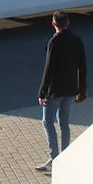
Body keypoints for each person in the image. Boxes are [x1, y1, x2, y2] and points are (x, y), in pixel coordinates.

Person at [35, 10, 87, 172]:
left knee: (47, 121)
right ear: (68, 23)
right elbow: (82, 66)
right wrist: (82, 90)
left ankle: (54, 159)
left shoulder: (54, 42)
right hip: (71, 89)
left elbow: (49, 69)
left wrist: (42, 92)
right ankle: (66, 156)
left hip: (55, 90)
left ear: (53, 24)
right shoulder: (77, 40)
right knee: (64, 122)